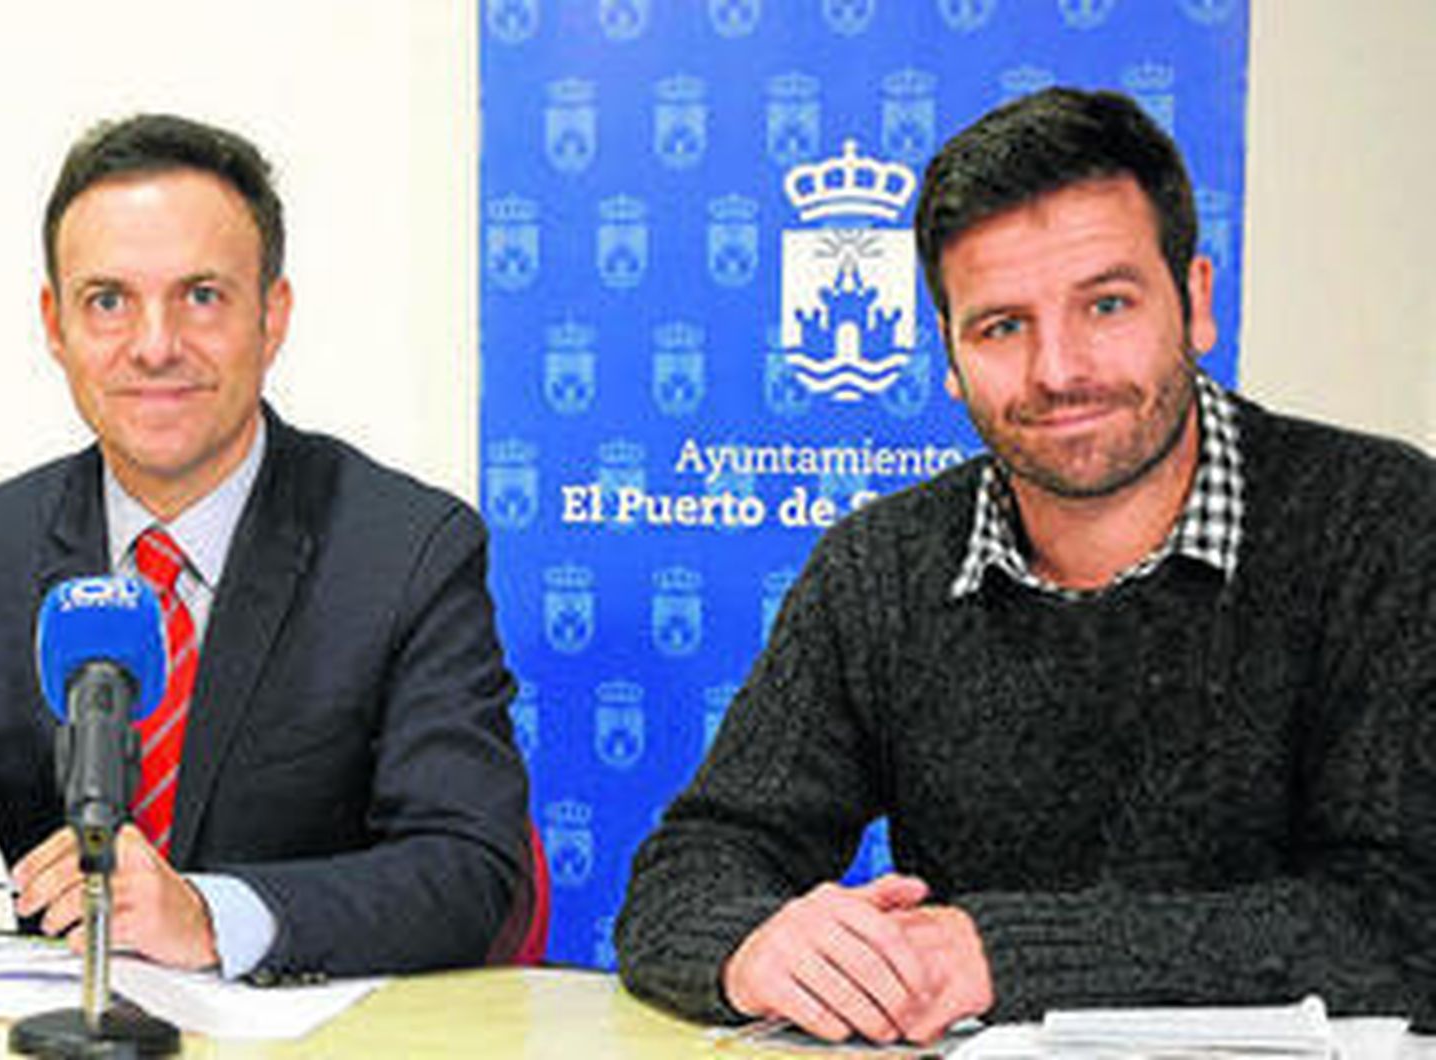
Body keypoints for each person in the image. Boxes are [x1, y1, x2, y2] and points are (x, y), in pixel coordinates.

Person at [615, 87, 1436, 1042]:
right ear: (950, 356)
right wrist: (754, 944)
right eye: (1002, 325)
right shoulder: (880, 568)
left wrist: (997, 955)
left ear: (1197, 302)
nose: (1058, 370)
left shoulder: (1381, 523)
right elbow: (693, 866)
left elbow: (1404, 925)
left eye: (1107, 305)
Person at [0, 114, 533, 981]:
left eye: (202, 296)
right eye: (108, 302)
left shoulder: (406, 552)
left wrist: (209, 915)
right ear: (55, 324)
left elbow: (469, 870)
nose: (156, 346)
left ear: (272, 317)